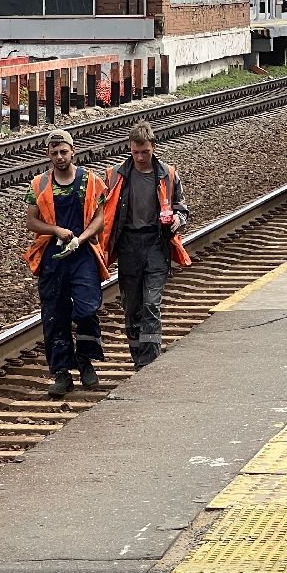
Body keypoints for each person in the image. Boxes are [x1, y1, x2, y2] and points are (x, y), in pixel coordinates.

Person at [24, 128, 108, 398]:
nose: (60, 156)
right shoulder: (39, 184)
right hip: (53, 256)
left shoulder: (91, 181)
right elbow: (31, 221)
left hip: (82, 254)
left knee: (86, 309)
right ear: (48, 155)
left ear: (73, 151)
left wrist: (81, 238)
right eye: (54, 152)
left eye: (64, 151)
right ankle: (62, 372)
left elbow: (99, 217)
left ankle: (85, 359)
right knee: (54, 314)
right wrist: (56, 230)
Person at [100, 120, 190, 369]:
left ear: (153, 147)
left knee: (151, 303)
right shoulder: (116, 175)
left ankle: (148, 363)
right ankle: (138, 355)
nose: (140, 157)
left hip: (156, 243)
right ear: (129, 148)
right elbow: (100, 210)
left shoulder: (167, 175)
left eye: (144, 152)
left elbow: (182, 207)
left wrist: (177, 221)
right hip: (129, 244)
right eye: (135, 152)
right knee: (132, 307)